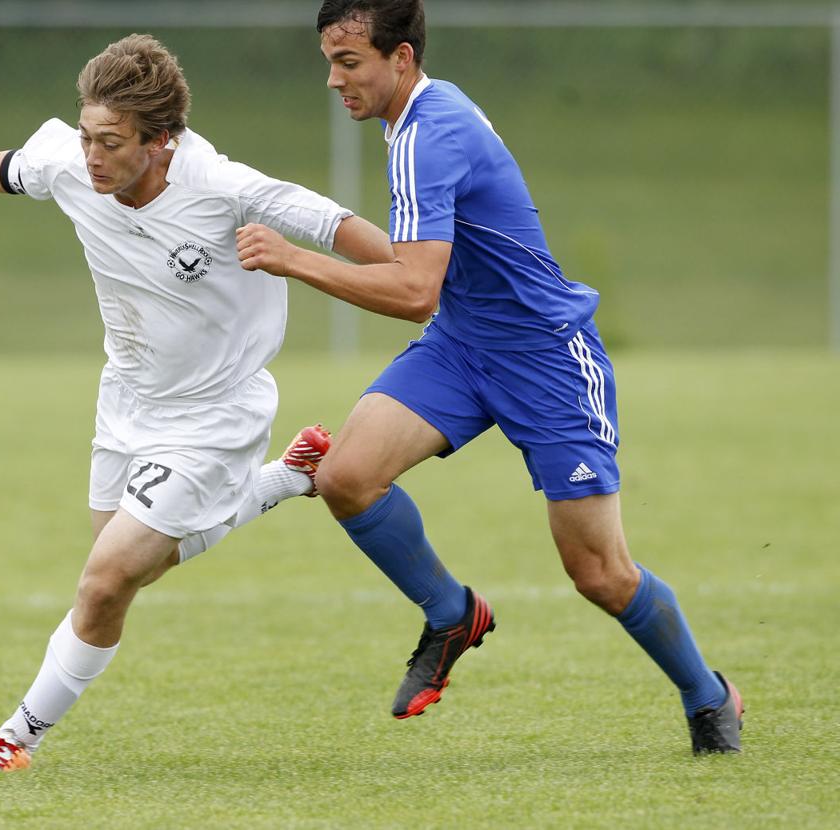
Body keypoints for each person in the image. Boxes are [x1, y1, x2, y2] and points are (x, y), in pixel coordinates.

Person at [0, 33, 394, 772]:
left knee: (104, 583)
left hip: (214, 415)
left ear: (161, 141)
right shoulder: (70, 163)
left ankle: (15, 738)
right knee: (139, 564)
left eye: (111, 142)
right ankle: (286, 478)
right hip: (126, 398)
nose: (91, 156)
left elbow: (350, 233)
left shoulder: (226, 188)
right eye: (86, 136)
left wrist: (413, 272)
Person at [235, 0, 743, 755]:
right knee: (346, 477)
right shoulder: (413, 123)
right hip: (464, 345)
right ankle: (452, 615)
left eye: (349, 63)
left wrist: (294, 257)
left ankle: (709, 696)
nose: (335, 80)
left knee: (599, 574)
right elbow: (426, 280)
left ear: (400, 59)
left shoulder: (427, 136)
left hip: (546, 359)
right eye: (329, 63)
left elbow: (413, 292)